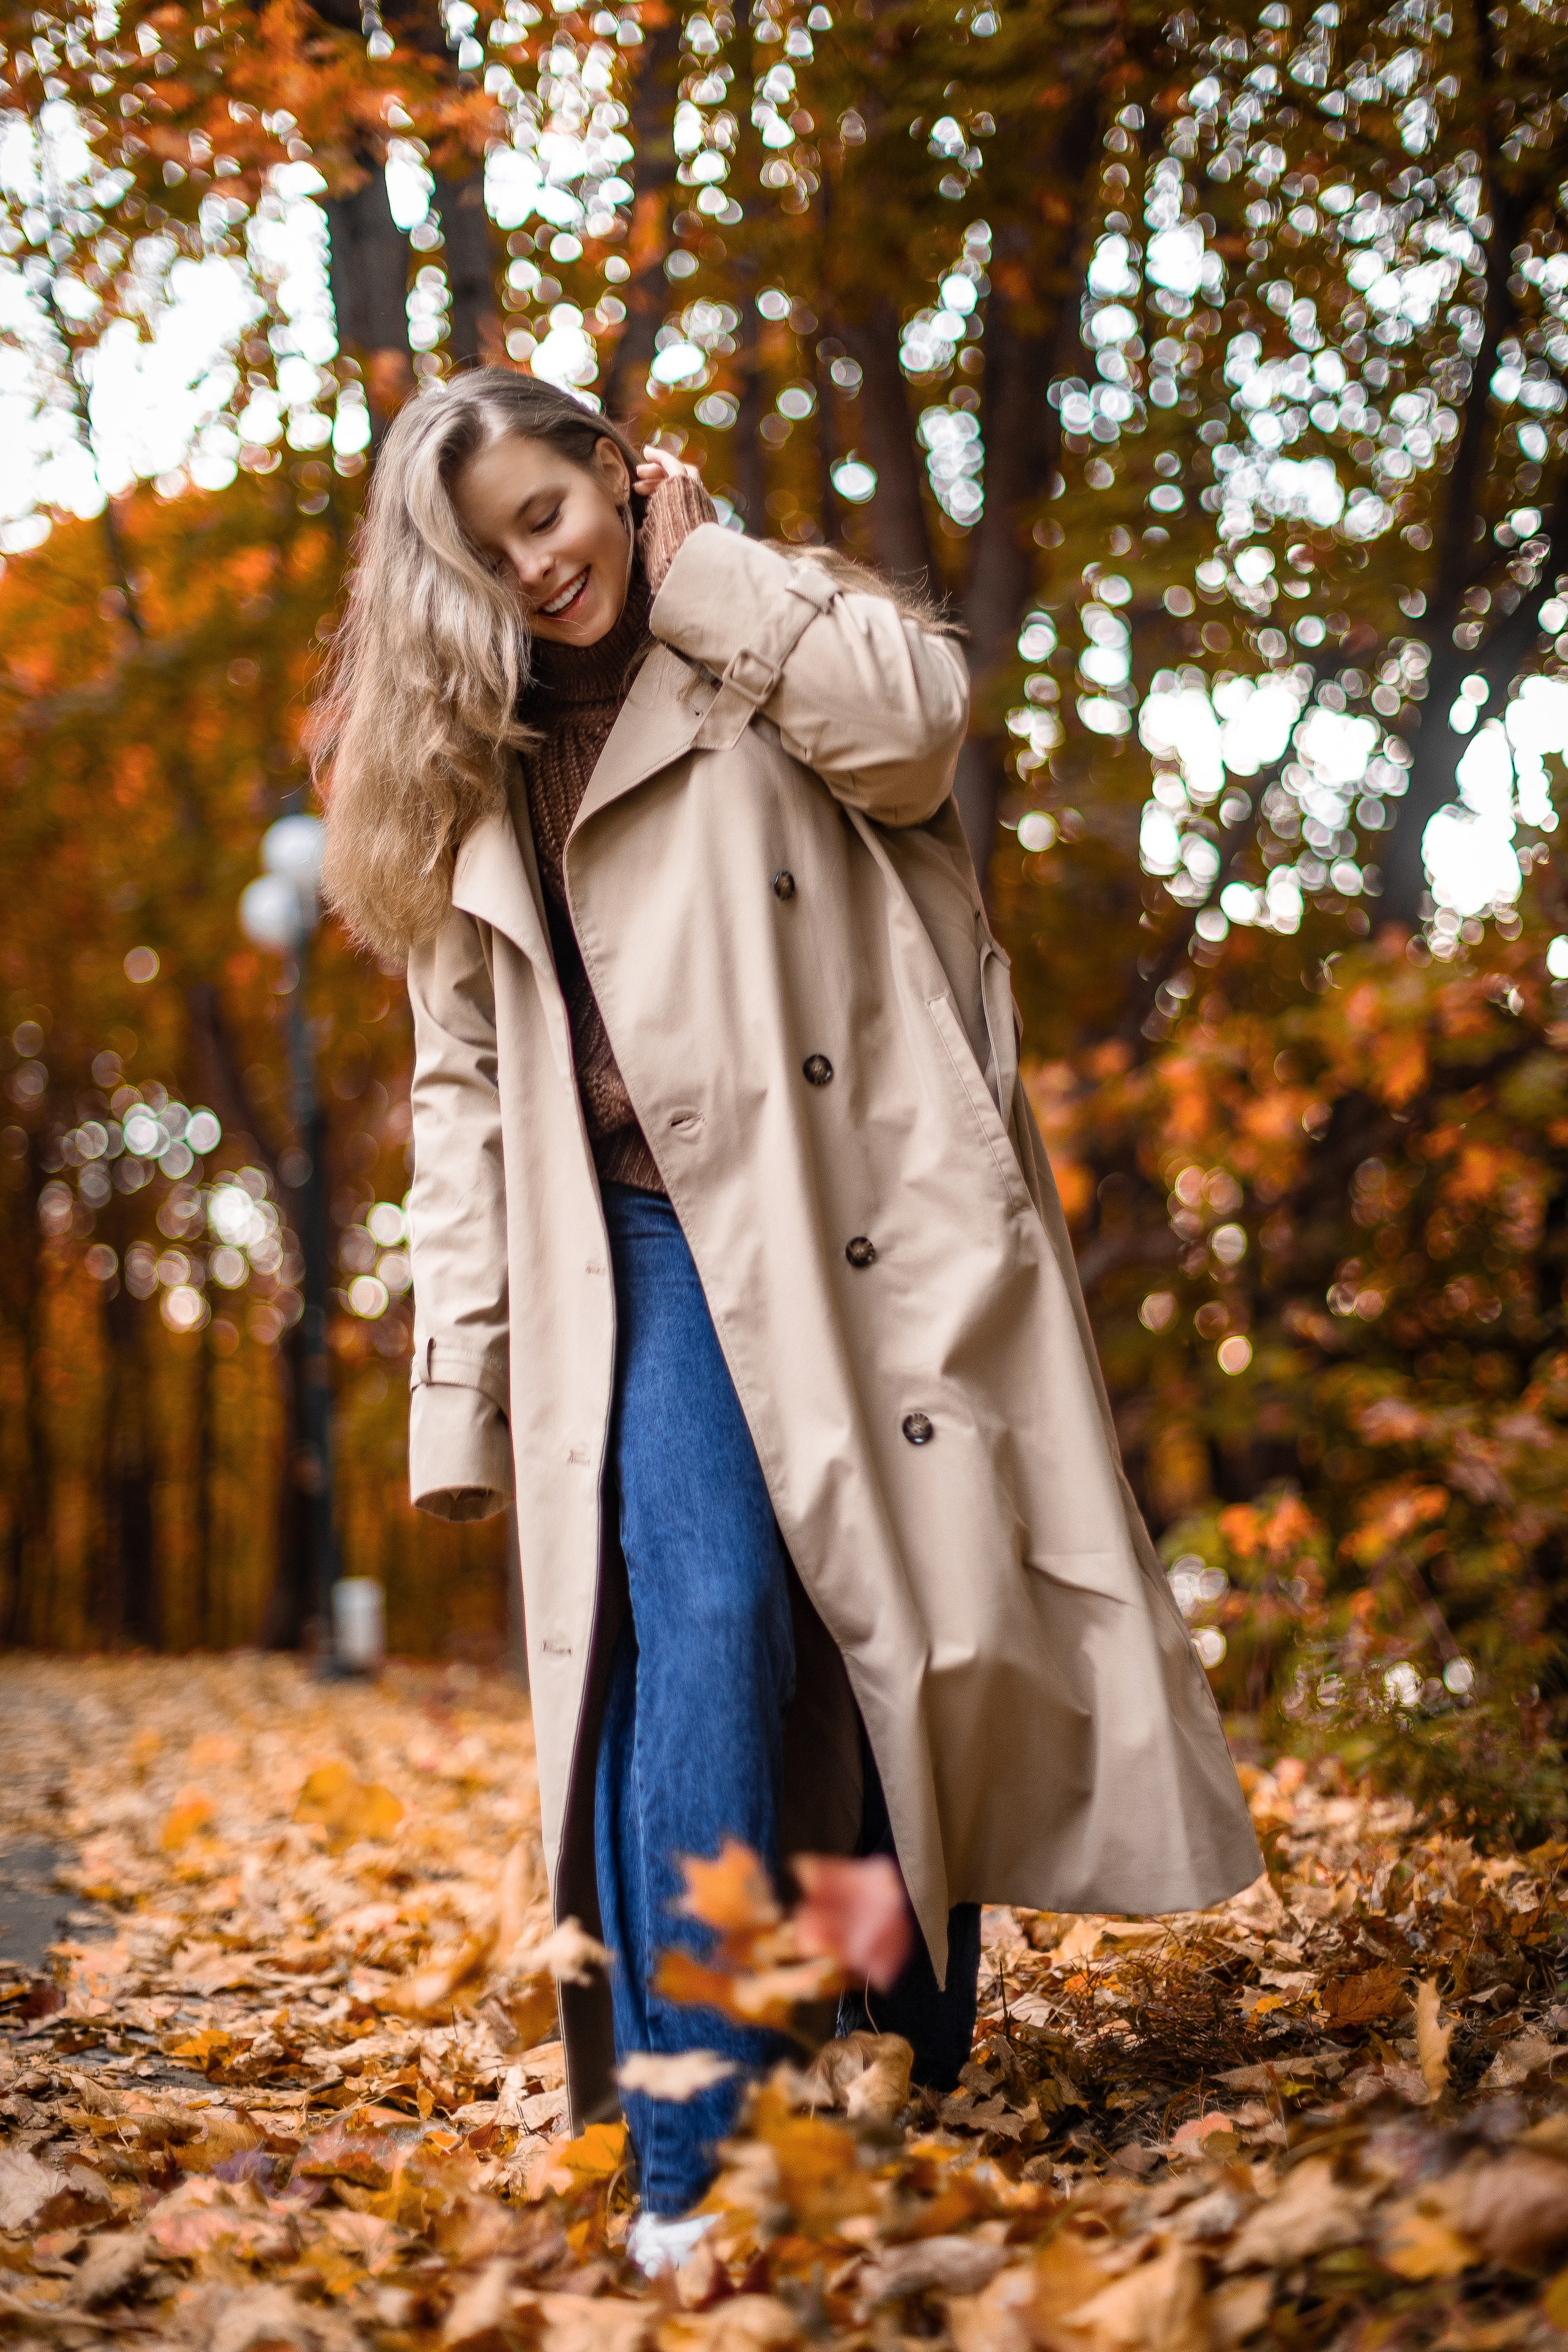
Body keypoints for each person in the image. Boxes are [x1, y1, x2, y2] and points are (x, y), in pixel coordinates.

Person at [315, 369, 1261, 2271]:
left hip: (852, 1231)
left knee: (882, 1646)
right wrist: (463, 1376)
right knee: (716, 1613)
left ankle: (875, 2053)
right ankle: (699, 2156)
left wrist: (707, 571)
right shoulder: (457, 757)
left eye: (552, 515)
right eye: (489, 553)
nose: (535, 570)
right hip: (636, 1242)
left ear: (613, 472)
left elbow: (920, 739)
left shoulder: (766, 625)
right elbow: (461, 1082)